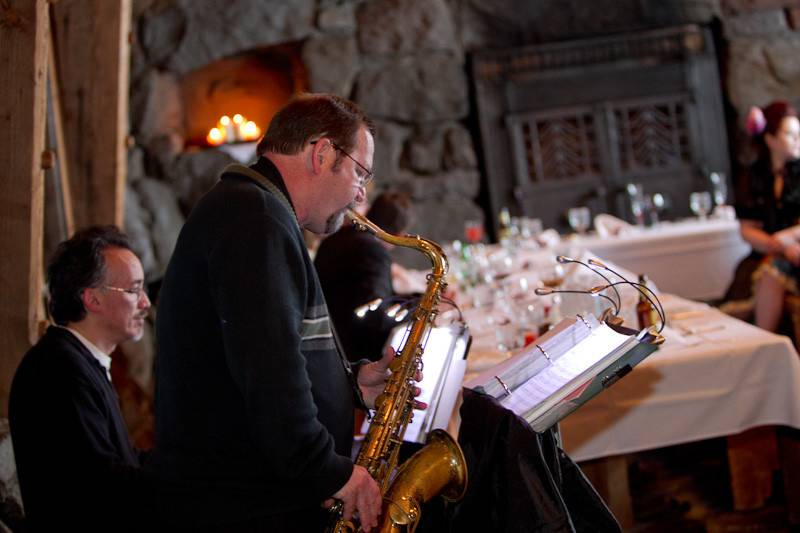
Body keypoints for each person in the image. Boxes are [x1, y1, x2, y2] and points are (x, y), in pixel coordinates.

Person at [150, 94, 402, 531]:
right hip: (246, 505)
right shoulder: (255, 220)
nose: (362, 194)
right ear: (322, 154)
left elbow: (264, 350)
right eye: (360, 173)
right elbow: (270, 375)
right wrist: (334, 473)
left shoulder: (253, 210)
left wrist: (350, 384)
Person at [8, 226, 154, 531]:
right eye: (134, 290)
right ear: (92, 299)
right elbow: (101, 486)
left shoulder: (79, 361)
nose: (145, 303)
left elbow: (121, 462)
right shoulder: (59, 369)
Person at [315, 190, 414, 363]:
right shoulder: (373, 251)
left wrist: (415, 299)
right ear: (399, 235)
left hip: (329, 345)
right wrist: (419, 311)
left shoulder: (336, 239)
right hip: (353, 358)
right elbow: (376, 318)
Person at [731, 100, 800, 331]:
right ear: (770, 139)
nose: (797, 140)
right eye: (790, 134)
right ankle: (764, 343)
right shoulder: (754, 176)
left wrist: (787, 237)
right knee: (768, 273)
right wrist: (776, 244)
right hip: (769, 252)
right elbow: (747, 228)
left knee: (774, 271)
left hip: (795, 249)